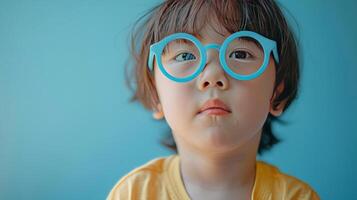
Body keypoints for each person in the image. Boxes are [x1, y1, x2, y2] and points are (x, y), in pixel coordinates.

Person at [107, 0, 320, 199]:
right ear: (155, 96)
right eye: (185, 56)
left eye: (240, 54)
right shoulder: (134, 194)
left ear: (276, 94)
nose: (213, 76)